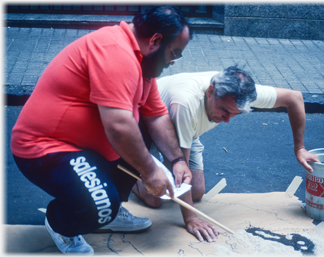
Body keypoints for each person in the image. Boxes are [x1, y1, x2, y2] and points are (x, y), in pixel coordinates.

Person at [11, 6, 193, 255]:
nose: (173, 61)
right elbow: (118, 126)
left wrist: (177, 161)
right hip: (46, 148)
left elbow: (157, 115)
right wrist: (150, 172)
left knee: (141, 128)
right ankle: (61, 223)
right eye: (174, 53)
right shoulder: (115, 52)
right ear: (155, 41)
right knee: (100, 205)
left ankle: (111, 209)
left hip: (86, 148)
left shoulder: (143, 65)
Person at [133, 67, 320, 241]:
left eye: (235, 114)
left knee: (196, 191)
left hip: (188, 131)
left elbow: (294, 98)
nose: (227, 120)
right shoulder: (185, 103)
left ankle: (150, 169)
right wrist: (191, 219)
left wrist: (300, 148)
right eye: (224, 111)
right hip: (151, 122)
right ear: (210, 92)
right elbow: (182, 168)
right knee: (155, 198)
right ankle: (132, 171)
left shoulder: (241, 93)